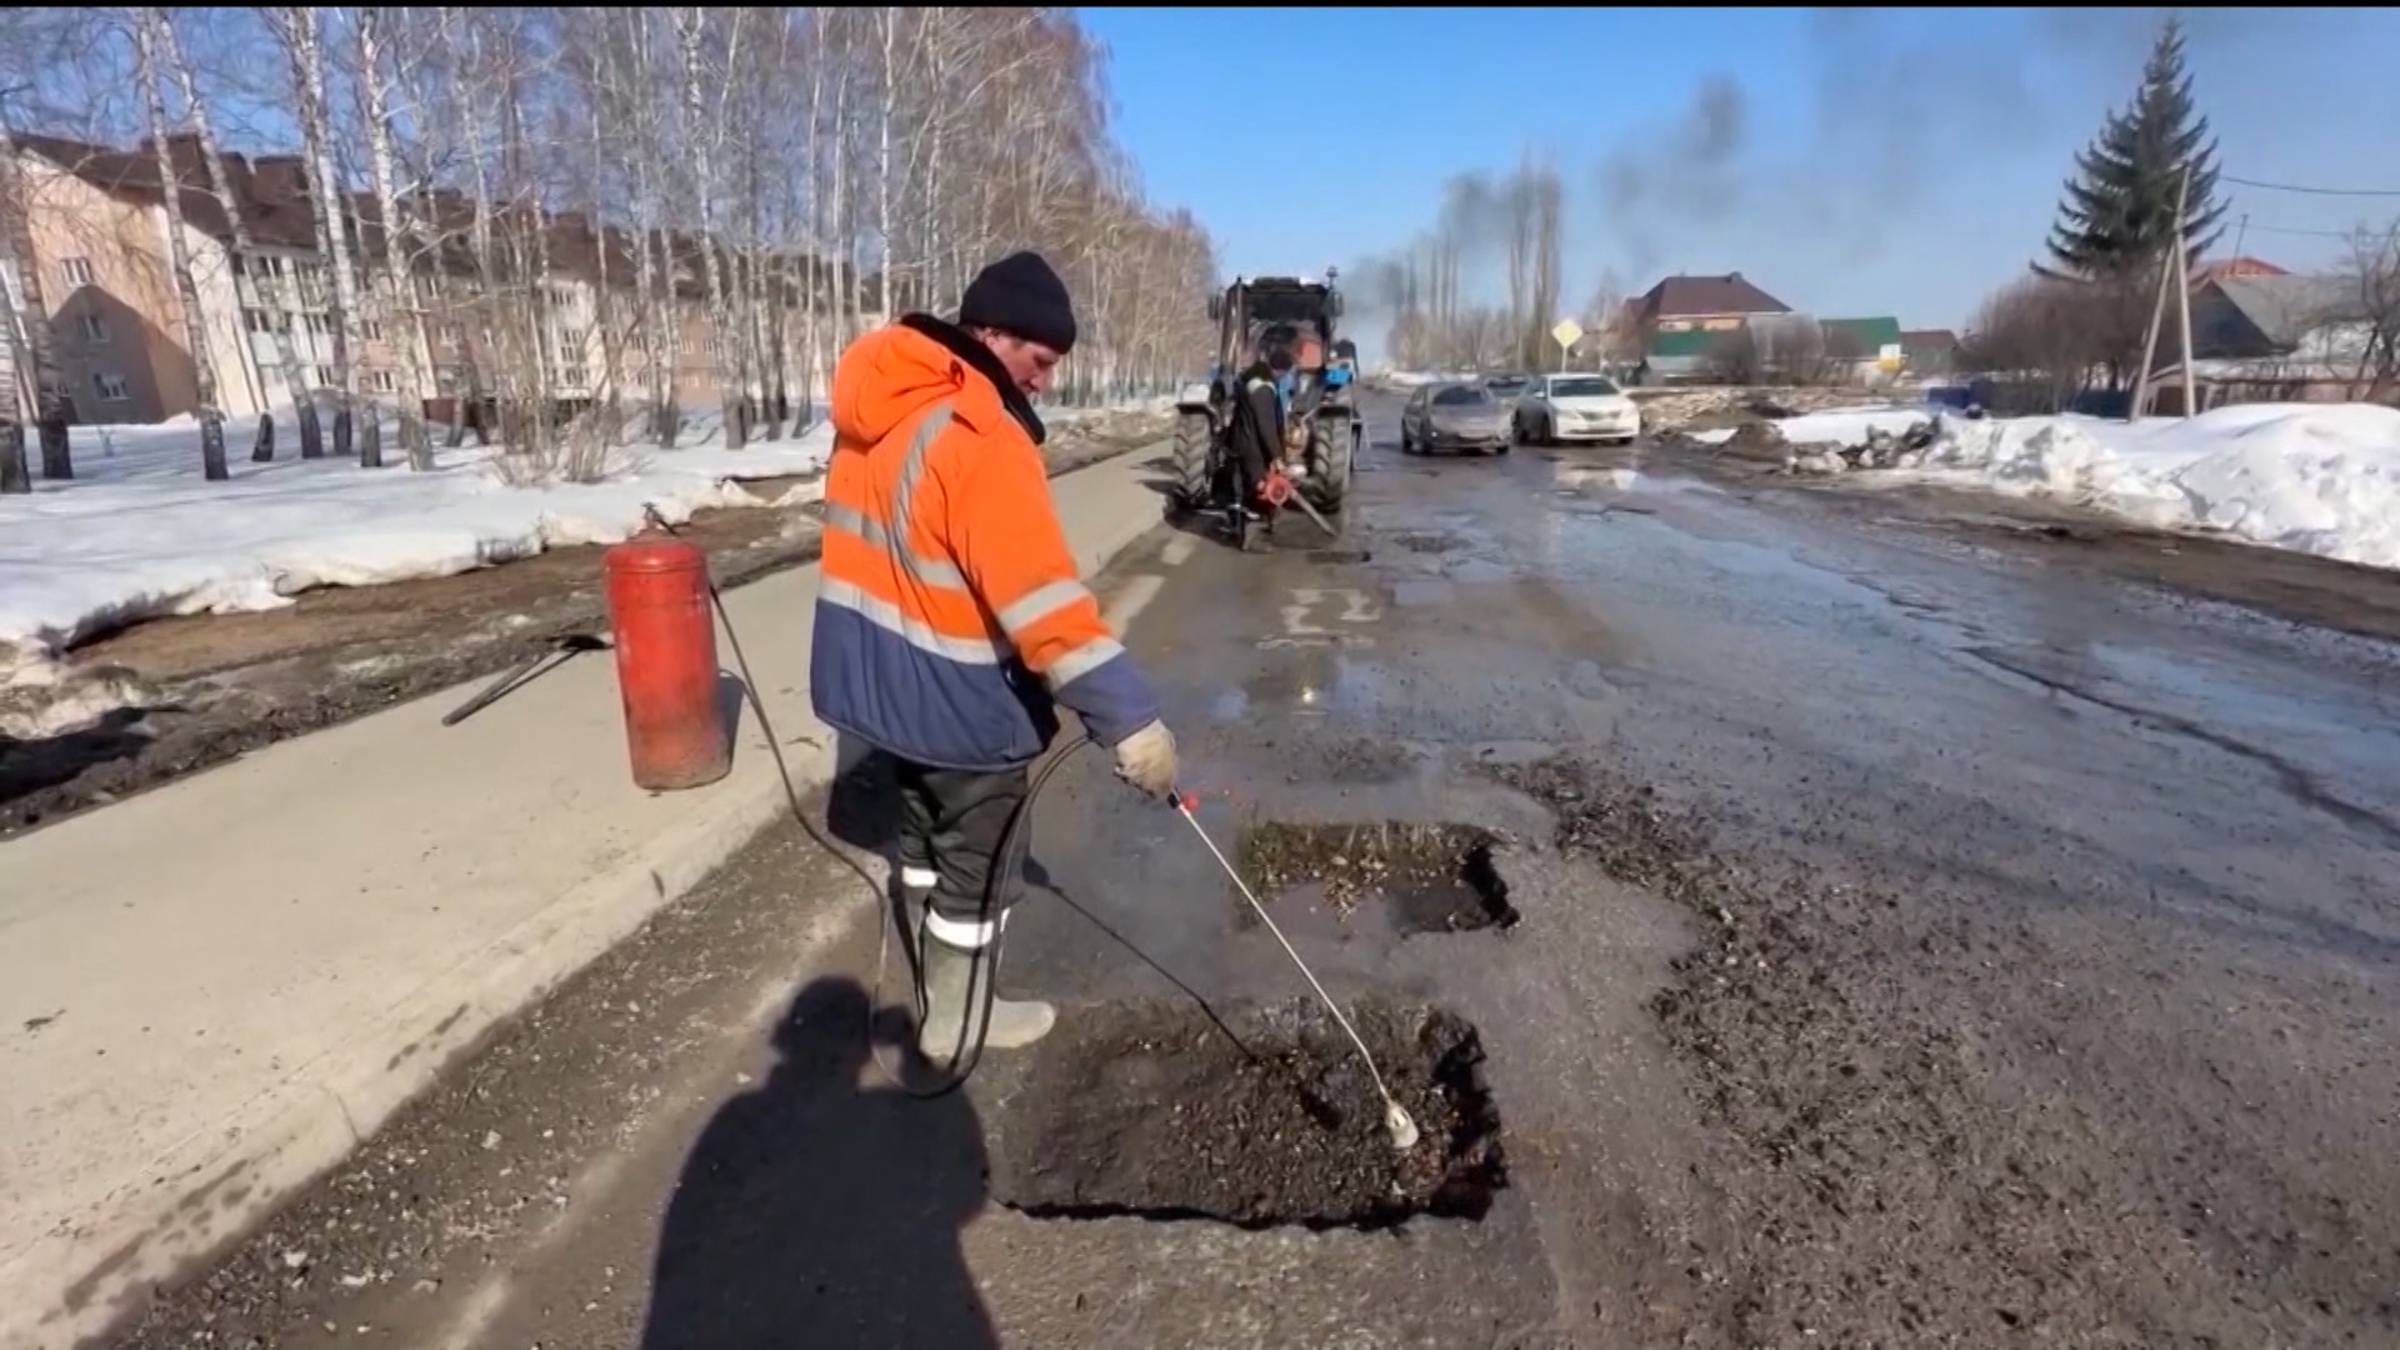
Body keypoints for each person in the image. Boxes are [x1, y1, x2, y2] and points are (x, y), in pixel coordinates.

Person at [810, 251, 1179, 1058]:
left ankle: (925, 969)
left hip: (881, 688)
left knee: (921, 838)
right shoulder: (980, 433)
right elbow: (1042, 600)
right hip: (959, 698)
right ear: (991, 334)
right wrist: (1131, 720)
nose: (1044, 382)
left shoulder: (886, 405)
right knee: (982, 860)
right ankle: (957, 1018)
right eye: (1040, 361)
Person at [1225, 349, 1288, 546]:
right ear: (1280, 371)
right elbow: (1266, 425)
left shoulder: (1250, 380)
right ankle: (1250, 538)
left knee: (1240, 491)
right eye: (1285, 373)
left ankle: (1237, 530)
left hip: (1238, 442)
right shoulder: (1263, 388)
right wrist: (1276, 455)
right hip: (1252, 446)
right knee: (1257, 488)